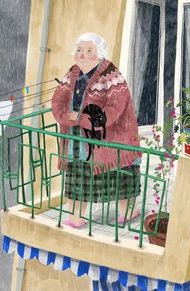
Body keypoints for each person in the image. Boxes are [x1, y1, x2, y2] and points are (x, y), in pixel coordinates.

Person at [52, 32, 141, 228]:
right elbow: (58, 98)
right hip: (76, 138)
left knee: (117, 177)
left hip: (108, 139)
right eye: (79, 50)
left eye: (88, 51)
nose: (82, 55)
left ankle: (129, 211)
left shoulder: (112, 76)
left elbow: (116, 108)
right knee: (77, 176)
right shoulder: (72, 73)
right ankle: (75, 217)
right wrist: (64, 115)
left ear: (100, 53)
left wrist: (84, 119)